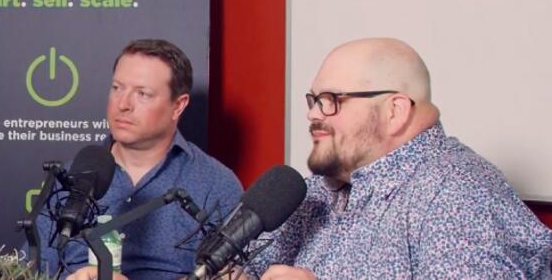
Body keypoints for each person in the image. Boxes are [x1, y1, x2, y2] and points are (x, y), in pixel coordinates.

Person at [245, 37, 552, 279]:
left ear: (396, 111)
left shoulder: (457, 196)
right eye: (313, 100)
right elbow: (249, 266)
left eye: (331, 100)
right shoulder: (317, 192)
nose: (313, 114)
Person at [40, 39, 243, 280]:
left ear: (178, 106)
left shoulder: (215, 183)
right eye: (117, 88)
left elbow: (233, 274)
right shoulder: (73, 175)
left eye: (142, 94)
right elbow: (31, 267)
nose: (123, 104)